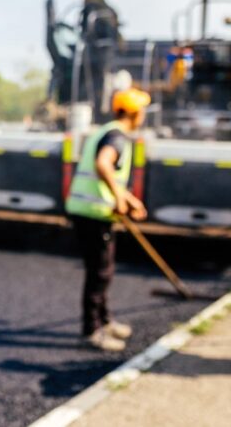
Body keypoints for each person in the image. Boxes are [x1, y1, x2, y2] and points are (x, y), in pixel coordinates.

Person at [65, 88, 151, 351]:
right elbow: (103, 165)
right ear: (133, 113)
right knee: (99, 273)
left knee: (104, 270)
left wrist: (128, 199)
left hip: (89, 210)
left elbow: (106, 172)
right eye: (143, 111)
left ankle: (105, 320)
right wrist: (120, 198)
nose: (144, 116)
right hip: (92, 213)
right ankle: (92, 330)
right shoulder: (117, 138)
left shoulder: (107, 132)